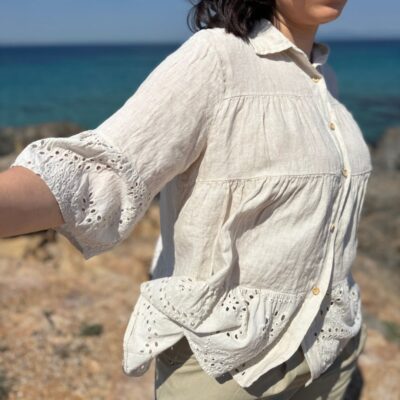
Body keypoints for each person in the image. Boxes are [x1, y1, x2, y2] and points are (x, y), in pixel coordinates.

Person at [0, 0, 372, 399]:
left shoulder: (324, 79)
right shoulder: (217, 58)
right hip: (229, 370)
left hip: (331, 350)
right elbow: (104, 173)